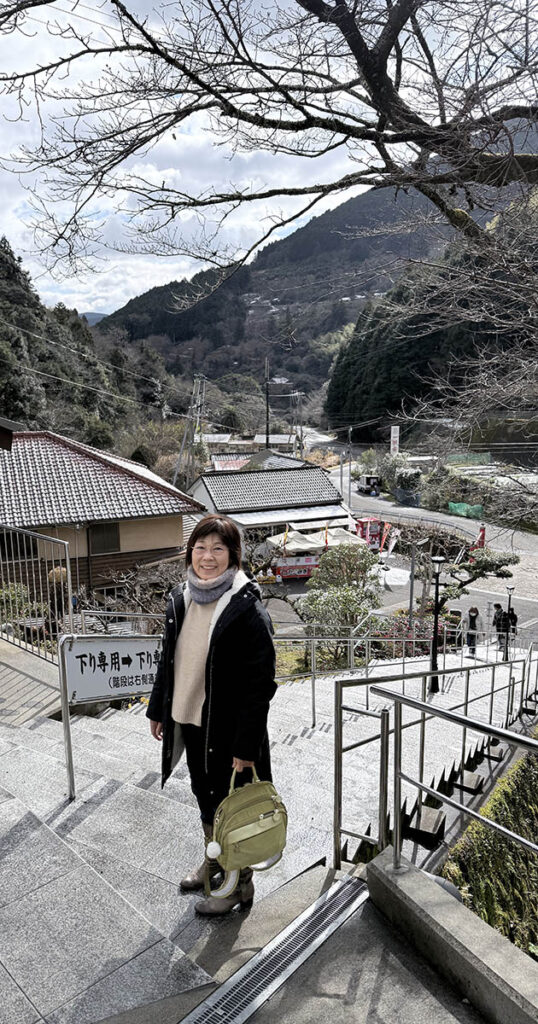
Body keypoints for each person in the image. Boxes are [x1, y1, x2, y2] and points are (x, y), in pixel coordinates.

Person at [147, 514, 276, 916]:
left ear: (233, 555)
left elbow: (261, 684)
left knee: (232, 807)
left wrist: (246, 746)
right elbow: (169, 659)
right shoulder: (182, 597)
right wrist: (159, 708)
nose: (207, 557)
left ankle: (237, 886)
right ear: (190, 552)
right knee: (205, 798)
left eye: (218, 548)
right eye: (200, 548)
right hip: (189, 720)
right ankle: (215, 862)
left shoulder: (246, 608)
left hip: (228, 729)